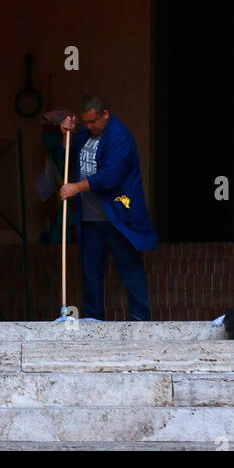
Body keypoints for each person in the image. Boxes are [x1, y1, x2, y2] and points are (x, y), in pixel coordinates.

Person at [57, 96, 158, 321]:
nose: (89, 126)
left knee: (129, 265)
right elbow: (66, 159)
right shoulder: (86, 133)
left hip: (116, 215)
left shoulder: (119, 136)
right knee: (90, 270)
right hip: (90, 217)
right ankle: (94, 318)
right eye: (85, 122)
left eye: (93, 121)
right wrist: (66, 136)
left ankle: (140, 318)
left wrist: (75, 188)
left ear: (105, 114)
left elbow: (110, 177)